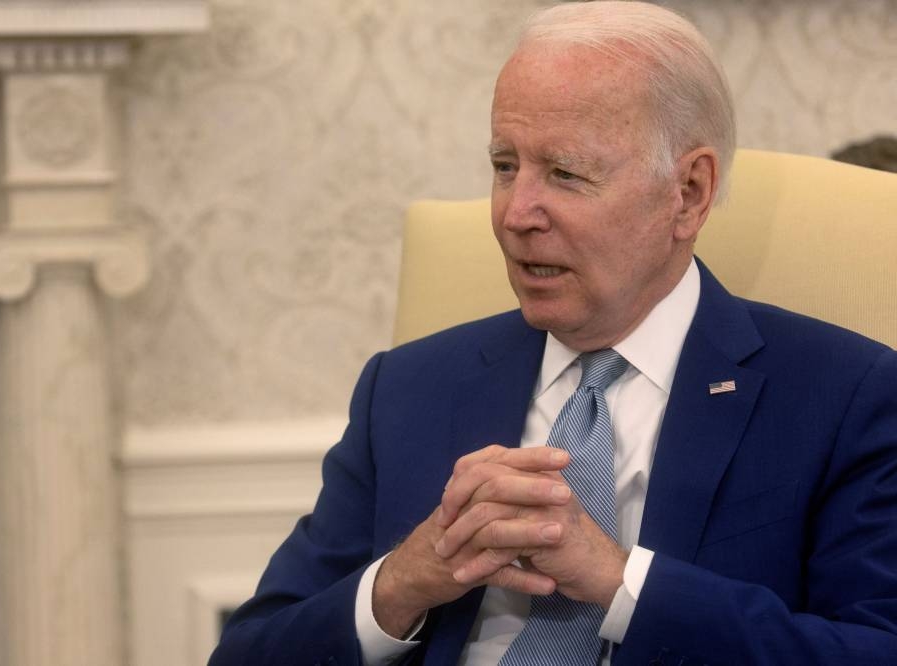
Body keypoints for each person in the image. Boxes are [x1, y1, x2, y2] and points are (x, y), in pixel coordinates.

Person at [209, 2, 897, 664]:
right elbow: (246, 654)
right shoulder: (408, 387)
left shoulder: (842, 397)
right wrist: (403, 583)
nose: (516, 213)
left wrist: (621, 582)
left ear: (688, 192)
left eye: (565, 174)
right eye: (505, 166)